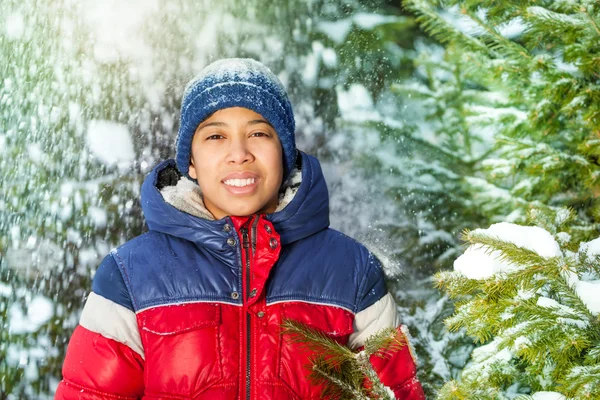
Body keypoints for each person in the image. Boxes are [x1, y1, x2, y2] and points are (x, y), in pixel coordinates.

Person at [55, 58, 425, 400]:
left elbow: (391, 392)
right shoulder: (130, 274)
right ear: (192, 163)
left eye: (259, 134)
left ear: (284, 152)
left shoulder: (352, 270)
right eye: (215, 136)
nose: (239, 153)